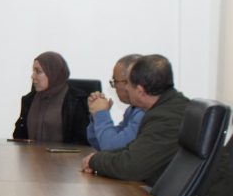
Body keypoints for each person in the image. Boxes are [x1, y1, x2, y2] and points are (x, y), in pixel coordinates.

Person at [80, 54, 189, 185]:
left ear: (140, 91)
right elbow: (129, 149)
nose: (126, 88)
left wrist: (95, 161)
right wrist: (97, 158)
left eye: (128, 84)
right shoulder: (166, 107)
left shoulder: (166, 118)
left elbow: (131, 166)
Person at [13, 52, 90, 144]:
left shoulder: (76, 101)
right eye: (33, 71)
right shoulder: (29, 100)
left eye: (38, 71)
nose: (33, 76)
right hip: (30, 153)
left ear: (54, 73)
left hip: (66, 154)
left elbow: (82, 142)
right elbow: (19, 137)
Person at [86, 54, 144, 151]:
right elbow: (99, 143)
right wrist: (96, 116)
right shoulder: (132, 109)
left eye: (115, 81)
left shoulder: (143, 112)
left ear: (129, 82)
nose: (114, 87)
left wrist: (101, 113)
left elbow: (112, 148)